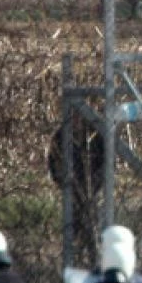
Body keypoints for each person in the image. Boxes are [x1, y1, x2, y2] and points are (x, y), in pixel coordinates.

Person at [49, 112, 105, 262]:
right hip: (73, 193)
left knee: (95, 228)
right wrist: (65, 184)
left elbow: (106, 164)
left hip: (94, 191)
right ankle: (74, 260)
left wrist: (95, 185)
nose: (76, 120)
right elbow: (54, 164)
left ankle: (96, 259)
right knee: (74, 230)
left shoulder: (96, 135)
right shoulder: (60, 137)